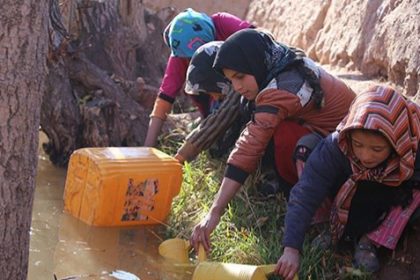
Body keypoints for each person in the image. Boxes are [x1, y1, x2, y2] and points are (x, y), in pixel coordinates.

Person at [190, 29, 356, 254]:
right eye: (231, 80)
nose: (237, 87)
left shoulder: (281, 89)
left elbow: (250, 146)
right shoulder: (280, 61)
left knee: (281, 134)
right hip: (329, 134)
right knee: (270, 128)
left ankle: (321, 215)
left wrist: (215, 211)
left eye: (239, 76)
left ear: (255, 62)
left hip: (349, 150)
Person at [276, 86, 420, 279]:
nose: (365, 156)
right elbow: (306, 193)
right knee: (307, 150)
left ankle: (369, 241)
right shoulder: (336, 146)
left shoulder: (411, 151)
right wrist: (291, 248)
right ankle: (328, 225)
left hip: (387, 198)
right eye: (358, 145)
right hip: (343, 190)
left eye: (377, 149)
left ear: (396, 143)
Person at [143, 8, 254, 147]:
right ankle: (210, 120)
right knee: (197, 83)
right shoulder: (181, 53)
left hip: (246, 80)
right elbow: (165, 96)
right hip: (217, 95)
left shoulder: (223, 24)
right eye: (190, 58)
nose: (192, 61)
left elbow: (258, 40)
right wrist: (148, 147)